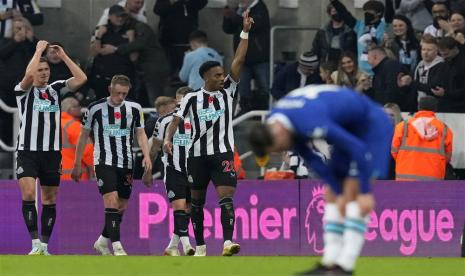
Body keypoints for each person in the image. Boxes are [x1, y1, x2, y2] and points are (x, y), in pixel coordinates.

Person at [248, 85, 392, 275]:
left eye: (277, 147)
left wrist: (366, 192)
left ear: (278, 133)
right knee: (331, 192)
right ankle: (329, 262)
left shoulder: (308, 120)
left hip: (372, 126)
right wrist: (337, 191)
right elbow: (313, 160)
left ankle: (345, 266)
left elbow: (358, 149)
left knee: (354, 191)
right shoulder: (281, 121)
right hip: (348, 127)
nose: (280, 151)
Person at [162, 12, 253, 257]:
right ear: (205, 77)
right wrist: (169, 138)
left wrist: (244, 32)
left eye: (222, 74)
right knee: (197, 203)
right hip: (197, 157)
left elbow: (240, 60)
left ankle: (227, 242)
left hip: (222, 152)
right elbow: (177, 119)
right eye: (217, 75)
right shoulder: (191, 98)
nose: (222, 78)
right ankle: (200, 246)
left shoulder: (228, 92)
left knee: (226, 197)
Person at [15, 40, 87, 255]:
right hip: (27, 150)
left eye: (46, 69)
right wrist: (38, 51)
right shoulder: (22, 91)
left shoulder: (55, 89)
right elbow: (28, 76)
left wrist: (63, 56)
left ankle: (44, 246)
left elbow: (82, 78)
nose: (44, 73)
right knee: (28, 194)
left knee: (49, 198)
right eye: (40, 70)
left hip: (51, 153)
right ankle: (34, 243)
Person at [71, 74, 152, 256]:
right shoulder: (95, 108)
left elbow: (140, 134)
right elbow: (84, 136)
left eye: (124, 94)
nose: (121, 97)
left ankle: (102, 241)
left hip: (126, 162)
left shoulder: (134, 108)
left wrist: (146, 156)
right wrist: (77, 163)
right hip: (103, 161)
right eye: (118, 93)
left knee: (121, 206)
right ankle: (117, 246)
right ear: (110, 89)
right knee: (111, 200)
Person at [144, 87, 195, 256]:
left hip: (194, 169)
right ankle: (187, 246)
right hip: (173, 168)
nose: (183, 105)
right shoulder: (164, 121)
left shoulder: (200, 120)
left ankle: (172, 246)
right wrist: (148, 169)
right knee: (179, 206)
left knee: (187, 208)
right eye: (180, 102)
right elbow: (155, 147)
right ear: (176, 101)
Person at [223, 0, 270, 114]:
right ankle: (245, 111)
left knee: (264, 88)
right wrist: (227, 17)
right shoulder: (238, 10)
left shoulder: (260, 7)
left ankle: (263, 112)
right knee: (243, 89)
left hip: (260, 57)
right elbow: (227, 29)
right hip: (242, 58)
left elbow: (253, 24)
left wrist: (235, 16)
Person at [391, 96, 453, 181]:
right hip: (433, 178)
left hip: (405, 177)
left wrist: (405, 160)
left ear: (418, 107)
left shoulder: (402, 126)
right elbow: (447, 157)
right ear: (435, 109)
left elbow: (394, 152)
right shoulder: (445, 129)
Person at [116, 16, 170, 107]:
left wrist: (117, 48)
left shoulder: (141, 27)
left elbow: (140, 44)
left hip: (154, 69)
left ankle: (161, 119)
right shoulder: (138, 28)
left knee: (156, 100)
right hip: (149, 69)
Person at [0, 17, 37, 146]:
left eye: (23, 28)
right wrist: (15, 41)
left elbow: (38, 57)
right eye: (17, 28)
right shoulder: (5, 41)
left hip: (25, 86)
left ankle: (24, 143)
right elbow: (2, 53)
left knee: (26, 117)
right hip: (6, 87)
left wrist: (31, 40)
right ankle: (5, 144)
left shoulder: (30, 44)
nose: (20, 31)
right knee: (5, 117)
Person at [89, 5, 136, 101]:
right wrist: (99, 36)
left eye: (122, 16)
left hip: (124, 78)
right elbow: (94, 53)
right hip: (104, 79)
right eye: (117, 16)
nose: (120, 19)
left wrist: (131, 40)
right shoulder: (102, 29)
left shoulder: (129, 31)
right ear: (110, 16)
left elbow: (134, 58)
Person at [154, 0, 208, 80]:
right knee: (168, 74)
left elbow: (201, 3)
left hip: (189, 42)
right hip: (169, 43)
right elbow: (157, 10)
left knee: (190, 74)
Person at [330, 0, 387, 75]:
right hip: (362, 72)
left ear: (378, 13)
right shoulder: (360, 25)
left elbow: (390, 13)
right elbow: (344, 14)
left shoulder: (383, 25)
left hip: (378, 71)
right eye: (365, 11)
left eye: (369, 12)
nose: (366, 14)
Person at [60, 96, 93, 181]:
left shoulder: (54, 124)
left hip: (55, 177)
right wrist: (97, 168)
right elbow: (87, 150)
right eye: (77, 106)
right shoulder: (74, 125)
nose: (80, 109)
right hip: (75, 178)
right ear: (70, 109)